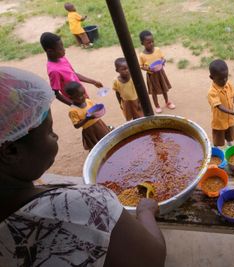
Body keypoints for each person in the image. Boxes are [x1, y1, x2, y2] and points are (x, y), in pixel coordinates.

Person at [0, 67, 166, 266]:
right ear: (10, 151)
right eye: (49, 131)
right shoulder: (84, 204)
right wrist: (144, 212)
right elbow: (152, 259)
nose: (56, 136)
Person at [40, 32, 103, 106]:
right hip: (77, 103)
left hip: (82, 96)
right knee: (88, 117)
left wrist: (93, 82)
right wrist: (73, 105)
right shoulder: (54, 71)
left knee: (94, 115)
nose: (64, 49)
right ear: (50, 51)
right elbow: (55, 92)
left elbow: (73, 74)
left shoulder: (62, 58)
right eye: (60, 48)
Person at [208, 59, 234, 147]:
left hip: (229, 119)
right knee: (218, 137)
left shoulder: (228, 84)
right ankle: (216, 148)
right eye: (221, 79)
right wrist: (233, 113)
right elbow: (219, 106)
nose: (224, 80)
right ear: (212, 77)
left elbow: (233, 96)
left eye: (226, 77)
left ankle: (229, 143)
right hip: (219, 121)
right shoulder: (212, 92)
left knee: (229, 134)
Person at [65, 81, 110, 150]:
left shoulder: (87, 101)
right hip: (90, 130)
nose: (84, 96)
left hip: (99, 125)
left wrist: (97, 111)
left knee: (107, 140)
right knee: (96, 147)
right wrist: (87, 119)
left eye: (84, 93)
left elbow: (93, 110)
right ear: (71, 98)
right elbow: (76, 125)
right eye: (80, 96)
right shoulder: (73, 111)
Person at [139, 30, 175, 114]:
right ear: (142, 44)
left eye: (152, 41)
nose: (151, 44)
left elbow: (162, 58)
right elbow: (141, 66)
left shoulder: (157, 50)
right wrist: (148, 69)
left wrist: (163, 61)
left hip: (160, 73)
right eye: (148, 42)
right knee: (153, 91)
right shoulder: (142, 55)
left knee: (164, 88)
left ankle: (167, 102)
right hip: (151, 75)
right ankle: (157, 105)